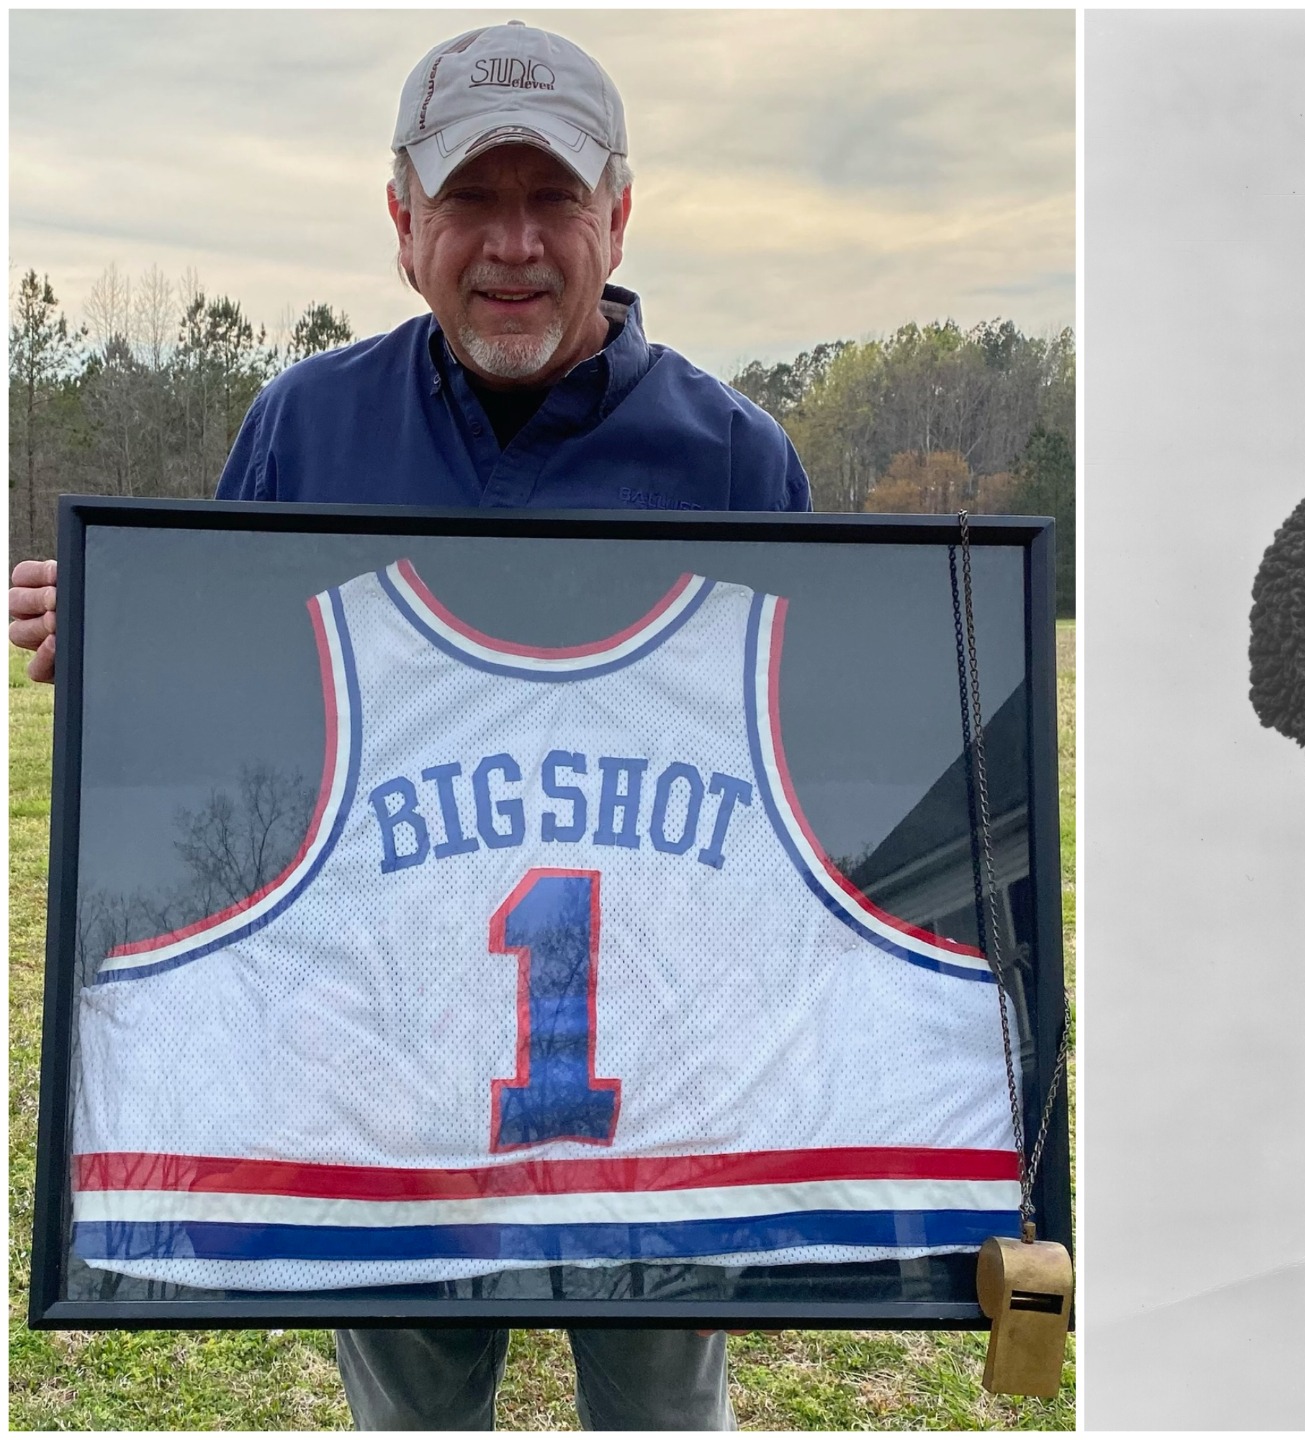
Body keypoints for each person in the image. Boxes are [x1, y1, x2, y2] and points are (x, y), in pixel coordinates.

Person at [10, 20, 811, 1429]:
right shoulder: (303, 427)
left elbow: (799, 781)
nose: (513, 244)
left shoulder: (739, 456)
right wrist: (132, 642)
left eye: (552, 198)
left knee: (666, 1414)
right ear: (402, 223)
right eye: (470, 201)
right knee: (417, 1417)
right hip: (380, 1057)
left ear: (618, 214)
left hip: (660, 1071)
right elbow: (250, 710)